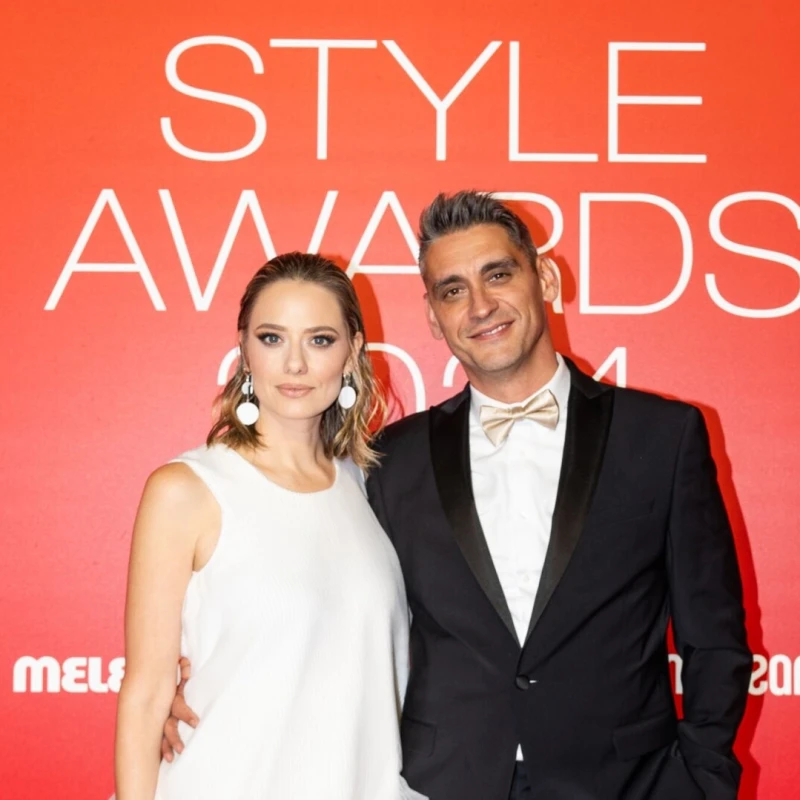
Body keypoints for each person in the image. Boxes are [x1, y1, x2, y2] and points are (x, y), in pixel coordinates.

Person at [163, 194, 752, 800]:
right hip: (443, 786)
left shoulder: (661, 437)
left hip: (630, 785)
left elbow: (715, 636)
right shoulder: (389, 462)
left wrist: (702, 781)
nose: (480, 306)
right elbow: (312, 595)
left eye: (498, 275)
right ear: (432, 315)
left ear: (545, 278)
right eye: (452, 290)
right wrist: (191, 681)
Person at [115, 252, 427, 800]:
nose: (295, 364)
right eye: (272, 338)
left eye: (320, 340)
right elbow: (145, 697)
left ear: (353, 351)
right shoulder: (187, 490)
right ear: (244, 348)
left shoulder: (370, 488)